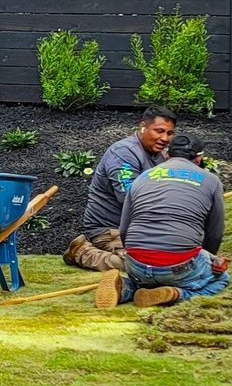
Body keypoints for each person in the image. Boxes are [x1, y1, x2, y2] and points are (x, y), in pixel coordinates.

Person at [94, 132, 231, 308]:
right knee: (220, 279)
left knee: (147, 277)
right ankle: (176, 294)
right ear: (199, 158)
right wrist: (210, 260)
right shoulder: (211, 181)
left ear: (167, 154)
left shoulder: (141, 178)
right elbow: (215, 233)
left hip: (136, 262)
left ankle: (127, 289)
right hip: (179, 266)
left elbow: (124, 228)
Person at [64, 106, 177, 272]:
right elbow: (128, 198)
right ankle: (83, 252)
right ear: (143, 127)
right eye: (159, 131)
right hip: (110, 229)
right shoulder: (123, 154)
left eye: (169, 133)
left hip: (140, 227)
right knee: (148, 266)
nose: (165, 138)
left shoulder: (161, 155)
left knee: (178, 257)